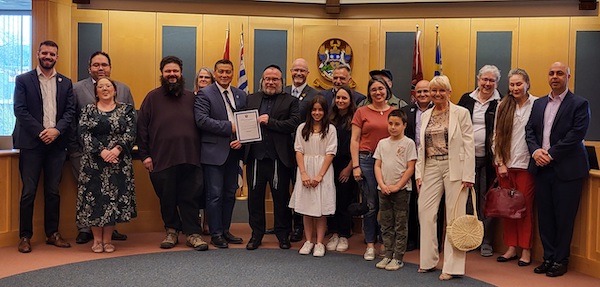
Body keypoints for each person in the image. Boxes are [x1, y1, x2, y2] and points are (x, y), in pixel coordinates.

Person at [526, 62, 590, 277]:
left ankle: (561, 260)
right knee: (545, 216)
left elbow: (576, 135)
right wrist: (536, 152)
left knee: (564, 217)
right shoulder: (539, 103)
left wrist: (550, 154)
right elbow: (530, 132)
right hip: (541, 169)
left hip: (567, 170)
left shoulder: (579, 103)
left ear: (568, 77)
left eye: (560, 73)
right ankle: (548, 257)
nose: (555, 76)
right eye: (551, 73)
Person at [137, 56, 208, 251]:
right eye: (168, 71)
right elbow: (141, 128)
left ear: (181, 73)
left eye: (175, 71)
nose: (172, 75)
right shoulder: (152, 98)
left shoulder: (192, 98)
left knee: (190, 197)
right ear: (162, 73)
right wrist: (145, 155)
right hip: (161, 159)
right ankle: (171, 231)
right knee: (167, 198)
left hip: (190, 157)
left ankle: (193, 234)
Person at [14, 40, 75, 253]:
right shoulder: (23, 80)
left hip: (56, 145)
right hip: (31, 144)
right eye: (45, 53)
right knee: (28, 192)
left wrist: (56, 130)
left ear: (57, 57)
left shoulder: (65, 83)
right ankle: (25, 236)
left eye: (52, 54)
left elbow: (70, 112)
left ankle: (52, 234)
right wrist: (42, 131)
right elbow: (20, 110)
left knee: (53, 191)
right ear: (38, 54)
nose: (48, 57)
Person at [69, 51, 133, 244]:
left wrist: (117, 150)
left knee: (112, 193)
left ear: (110, 67)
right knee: (92, 194)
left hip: (117, 157)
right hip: (86, 153)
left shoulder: (123, 89)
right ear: (89, 68)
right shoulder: (76, 88)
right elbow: (73, 122)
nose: (100, 68)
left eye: (104, 65)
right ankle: (86, 230)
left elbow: (131, 124)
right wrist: (91, 149)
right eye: (96, 65)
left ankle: (110, 231)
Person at [415, 75, 474, 281]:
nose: (437, 94)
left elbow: (469, 145)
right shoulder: (425, 115)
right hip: (430, 165)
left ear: (449, 92)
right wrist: (419, 173)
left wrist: (469, 174)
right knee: (425, 211)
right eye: (434, 91)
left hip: (455, 167)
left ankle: (452, 266)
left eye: (442, 90)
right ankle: (428, 260)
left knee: (454, 217)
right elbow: (421, 146)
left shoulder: (461, 113)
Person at [245, 64, 300, 250]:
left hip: (280, 159)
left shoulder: (290, 101)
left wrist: (271, 122)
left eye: (275, 79)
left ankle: (283, 234)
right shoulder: (250, 98)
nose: (271, 82)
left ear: (281, 82)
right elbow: (243, 121)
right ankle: (256, 234)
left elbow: (293, 124)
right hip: (255, 158)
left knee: (281, 198)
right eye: (267, 78)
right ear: (262, 80)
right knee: (254, 199)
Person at [195, 59, 247, 249]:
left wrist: (242, 138)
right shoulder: (205, 94)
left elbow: (246, 121)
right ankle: (215, 233)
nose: (225, 75)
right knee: (214, 194)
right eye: (221, 72)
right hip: (213, 153)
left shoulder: (240, 94)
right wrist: (229, 127)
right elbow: (202, 120)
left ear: (233, 73)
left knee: (229, 194)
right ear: (215, 74)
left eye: (228, 72)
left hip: (235, 151)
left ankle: (225, 230)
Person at [492, 68, 537, 266]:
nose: (515, 88)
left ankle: (525, 250)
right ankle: (511, 247)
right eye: (512, 84)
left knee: (524, 209)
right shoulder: (503, 105)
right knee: (508, 209)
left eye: (519, 84)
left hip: (526, 166)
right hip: (505, 166)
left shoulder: (537, 105)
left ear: (527, 83)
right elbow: (496, 136)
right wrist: (501, 162)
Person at [457, 64, 501, 257]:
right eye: (484, 79)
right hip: (466, 159)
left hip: (490, 160)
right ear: (478, 80)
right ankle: (468, 238)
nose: (487, 83)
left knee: (488, 201)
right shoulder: (466, 99)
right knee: (467, 200)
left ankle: (486, 240)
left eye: (492, 80)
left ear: (496, 83)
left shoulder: (501, 102)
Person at [350, 77, 396, 261]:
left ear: (387, 91)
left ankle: (385, 243)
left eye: (381, 89)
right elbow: (354, 140)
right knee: (370, 205)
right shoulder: (361, 112)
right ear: (369, 93)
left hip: (389, 162)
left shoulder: (395, 112)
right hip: (366, 160)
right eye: (374, 89)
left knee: (387, 205)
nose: (378, 92)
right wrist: (355, 166)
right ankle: (370, 244)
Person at [289, 95, 337, 257]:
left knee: (320, 209)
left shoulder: (330, 129)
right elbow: (298, 150)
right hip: (305, 169)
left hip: (322, 171)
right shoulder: (302, 128)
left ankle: (319, 243)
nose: (317, 113)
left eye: (320, 110)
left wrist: (319, 176)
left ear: (325, 111)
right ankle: (308, 241)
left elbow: (330, 153)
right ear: (310, 111)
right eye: (314, 110)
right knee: (307, 208)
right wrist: (303, 173)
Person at [373, 109, 417, 271]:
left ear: (404, 125)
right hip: (383, 190)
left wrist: (398, 186)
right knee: (386, 223)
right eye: (390, 124)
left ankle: (398, 257)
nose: (393, 127)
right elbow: (377, 165)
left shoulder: (408, 143)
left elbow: (410, 168)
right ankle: (388, 254)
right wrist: (382, 184)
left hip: (401, 191)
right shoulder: (382, 143)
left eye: (397, 124)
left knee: (400, 223)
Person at [283, 58, 320, 242]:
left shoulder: (314, 95)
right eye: (295, 69)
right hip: (282, 150)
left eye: (302, 70)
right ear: (291, 71)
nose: (298, 73)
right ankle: (283, 224)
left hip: (305, 152)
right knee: (283, 188)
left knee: (301, 189)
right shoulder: (282, 92)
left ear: (307, 73)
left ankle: (298, 227)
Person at [401, 79, 436, 251]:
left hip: (434, 162)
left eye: (426, 91)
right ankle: (412, 239)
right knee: (411, 201)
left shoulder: (439, 110)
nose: (422, 94)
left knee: (433, 203)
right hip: (412, 162)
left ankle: (430, 241)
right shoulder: (406, 111)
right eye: (419, 92)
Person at [325, 85, 357, 253]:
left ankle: (344, 234)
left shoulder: (355, 119)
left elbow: (358, 145)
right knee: (331, 198)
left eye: (344, 98)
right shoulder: (330, 118)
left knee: (344, 200)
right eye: (338, 98)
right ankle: (334, 233)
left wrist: (349, 168)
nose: (340, 101)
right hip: (330, 164)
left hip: (347, 164)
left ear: (350, 100)